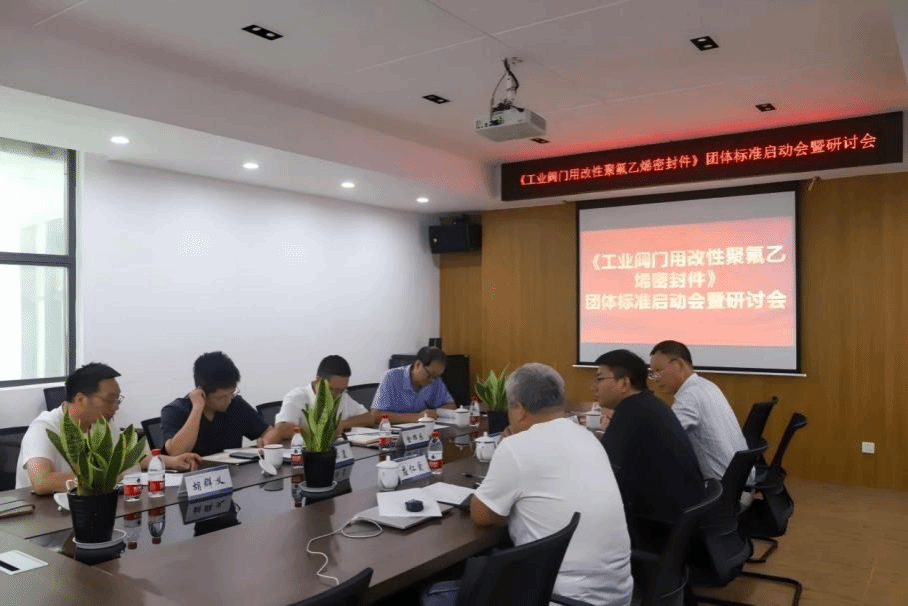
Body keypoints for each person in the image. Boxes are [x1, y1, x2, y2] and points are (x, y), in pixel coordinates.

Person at [471, 363, 633, 606]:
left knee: (436, 594)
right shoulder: (587, 437)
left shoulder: (517, 447)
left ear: (518, 409)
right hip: (616, 594)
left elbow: (481, 515)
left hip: (558, 597)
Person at [16, 362, 200, 495]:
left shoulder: (102, 424)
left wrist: (171, 461)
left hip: (94, 508)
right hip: (44, 520)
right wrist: (102, 479)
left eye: (117, 400)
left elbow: (129, 457)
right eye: (109, 400)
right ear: (80, 399)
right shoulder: (44, 428)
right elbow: (42, 481)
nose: (116, 407)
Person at [594, 349, 705, 548]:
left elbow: (604, 472)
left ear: (624, 383)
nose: (594, 386)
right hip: (685, 521)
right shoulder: (647, 404)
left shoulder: (631, 412)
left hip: (661, 528)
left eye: (600, 379)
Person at [649, 340, 752, 505]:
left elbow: (659, 439)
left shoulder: (689, 397)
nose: (655, 379)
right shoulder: (707, 386)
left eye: (658, 371)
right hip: (740, 484)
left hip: (721, 493)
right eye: (652, 373)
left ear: (679, 365)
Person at [161, 351, 276, 456]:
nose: (228, 400)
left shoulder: (236, 404)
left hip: (233, 470)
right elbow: (175, 452)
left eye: (232, 393)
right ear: (202, 392)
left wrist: (266, 440)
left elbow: (268, 431)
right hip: (194, 471)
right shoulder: (175, 410)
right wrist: (197, 407)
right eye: (221, 398)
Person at [267, 355, 374, 443]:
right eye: (331, 389)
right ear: (318, 381)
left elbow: (369, 418)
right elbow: (282, 429)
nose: (336, 395)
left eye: (341, 390)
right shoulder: (296, 397)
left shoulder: (341, 396)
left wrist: (339, 425)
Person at [370, 346, 456, 423]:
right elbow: (375, 415)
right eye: (430, 374)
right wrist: (417, 417)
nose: (432, 380)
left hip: (423, 429)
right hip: (393, 431)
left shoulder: (435, 380)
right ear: (418, 365)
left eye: (436, 376)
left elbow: (451, 406)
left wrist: (434, 412)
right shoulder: (391, 377)